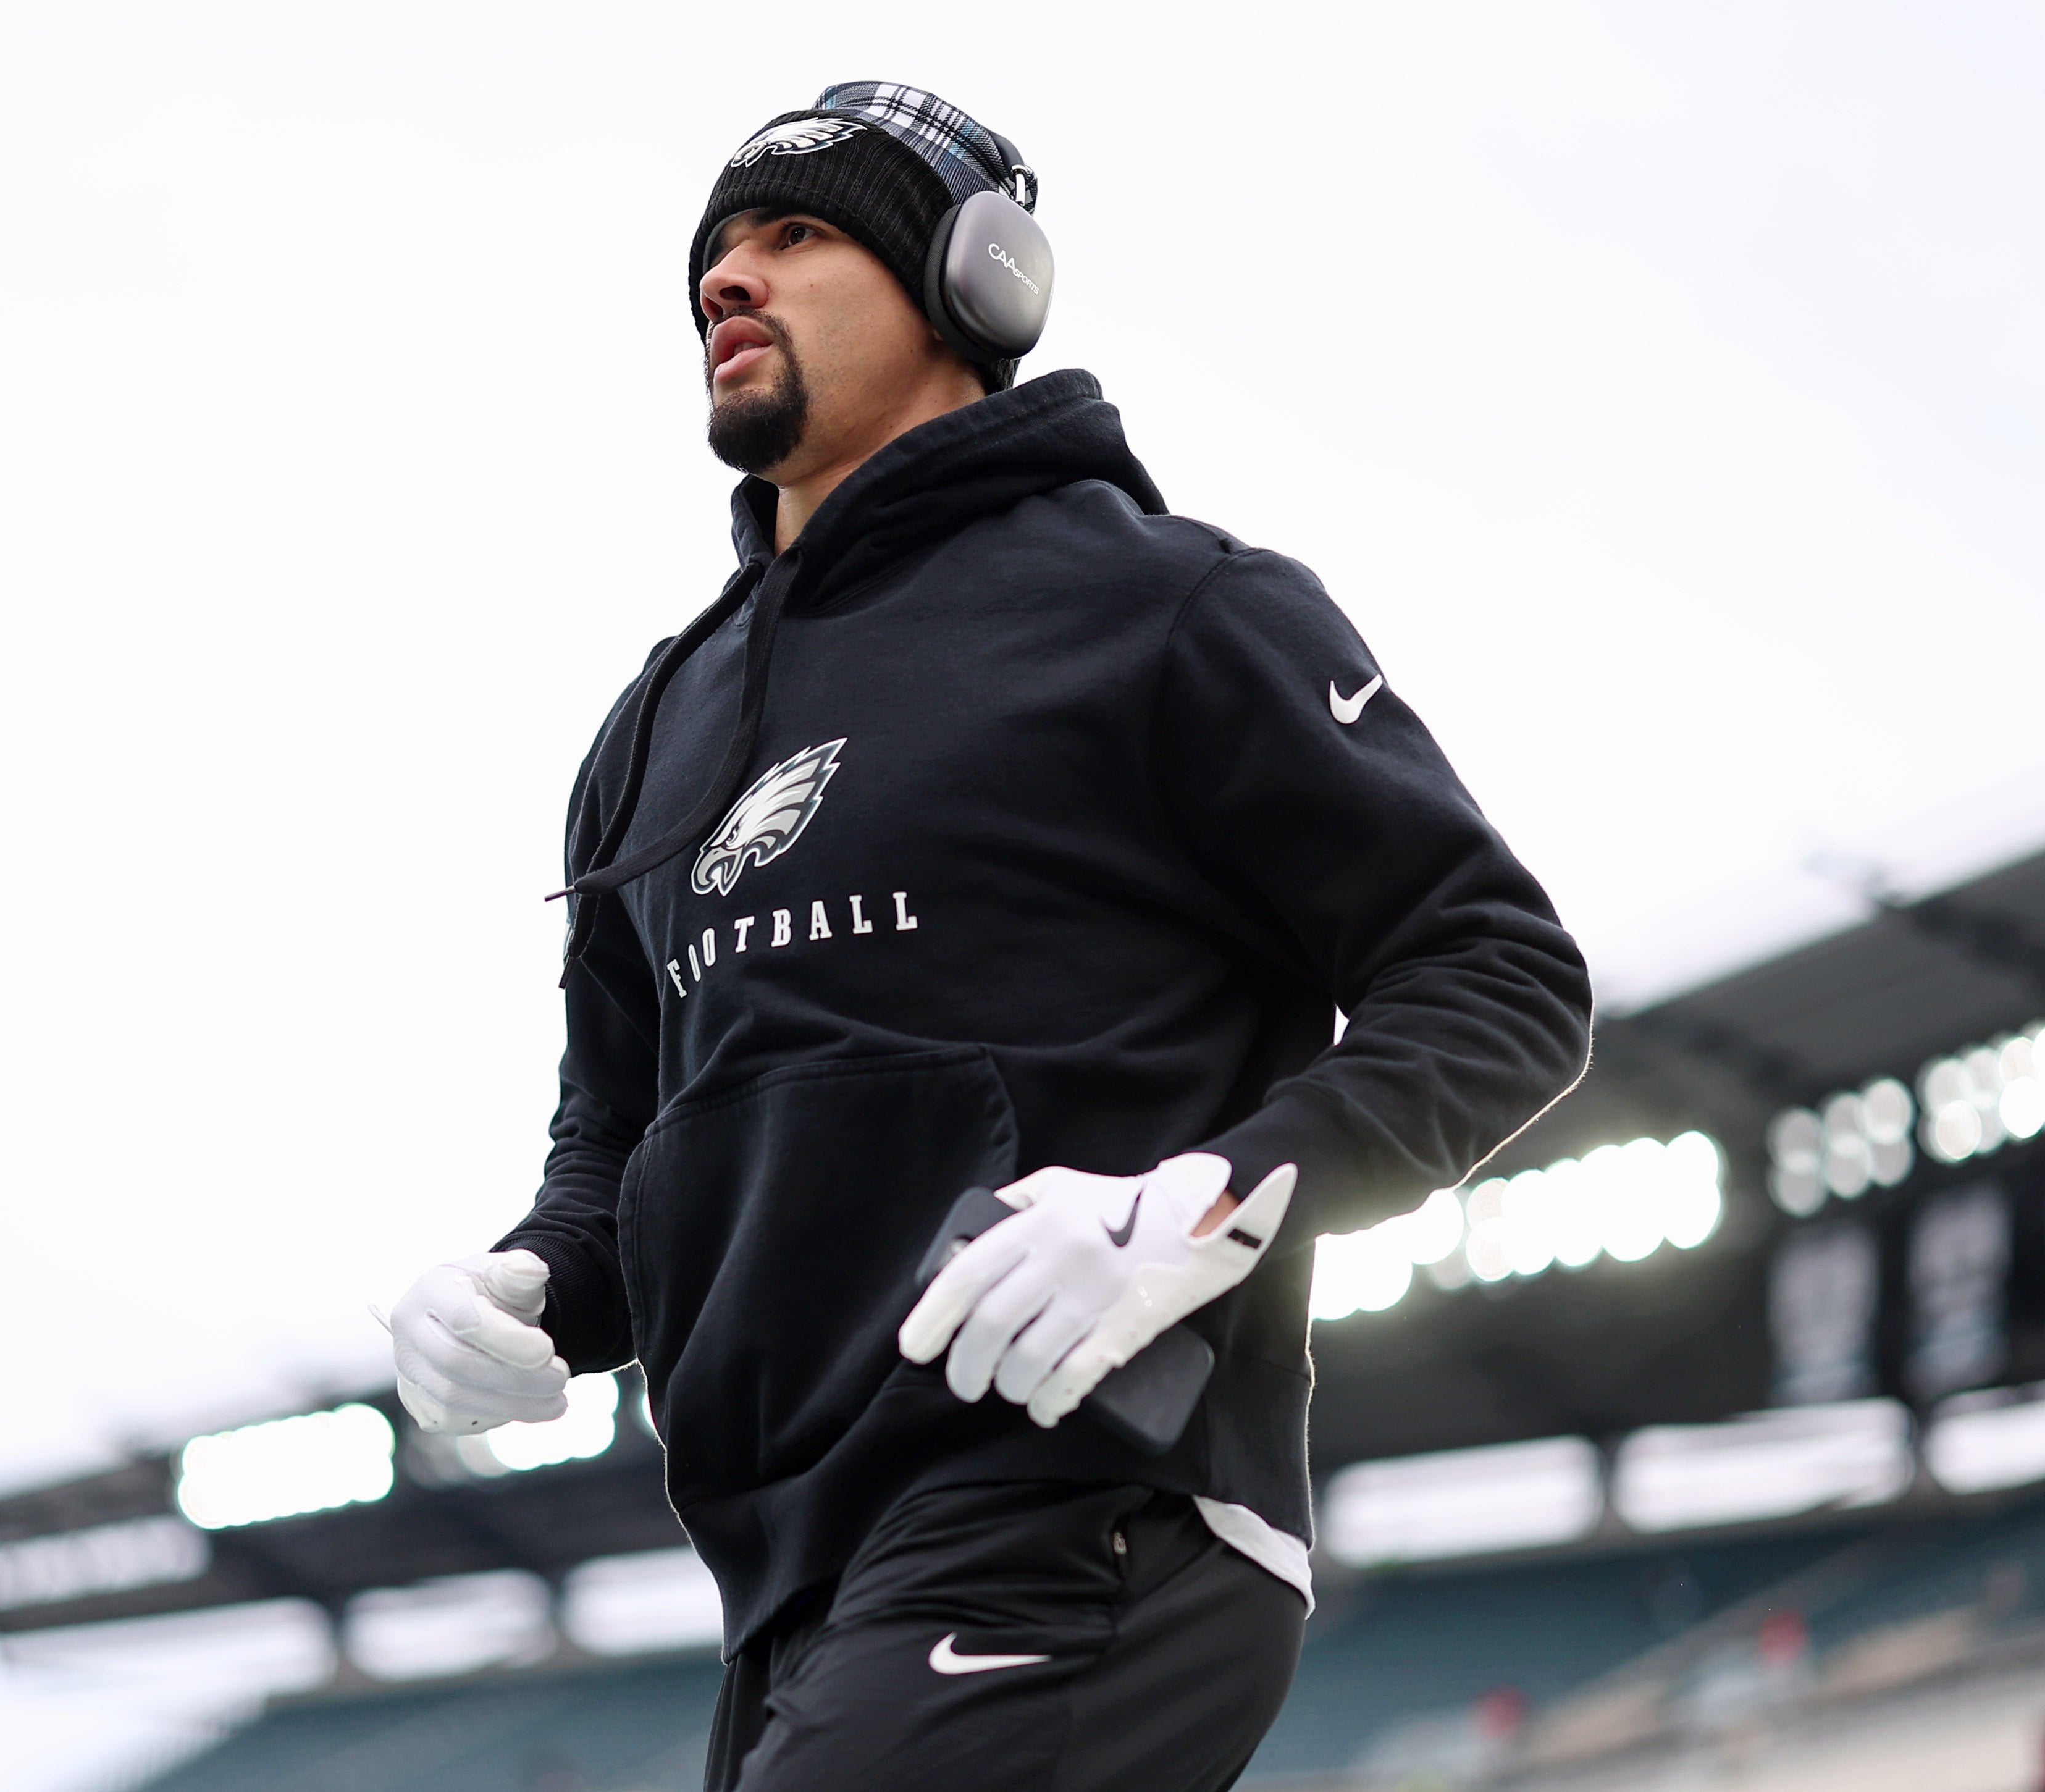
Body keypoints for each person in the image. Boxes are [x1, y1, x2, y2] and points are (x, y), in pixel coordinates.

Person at [388, 82, 1590, 1792]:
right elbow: (624, 1131)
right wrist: (533, 1286)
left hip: (1094, 1506)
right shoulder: (651, 731)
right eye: (713, 256)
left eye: (796, 235)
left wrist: (1208, 1206)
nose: (731, 280)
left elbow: (1500, 978)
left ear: (979, 283)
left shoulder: (1171, 606)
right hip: (787, 1575)